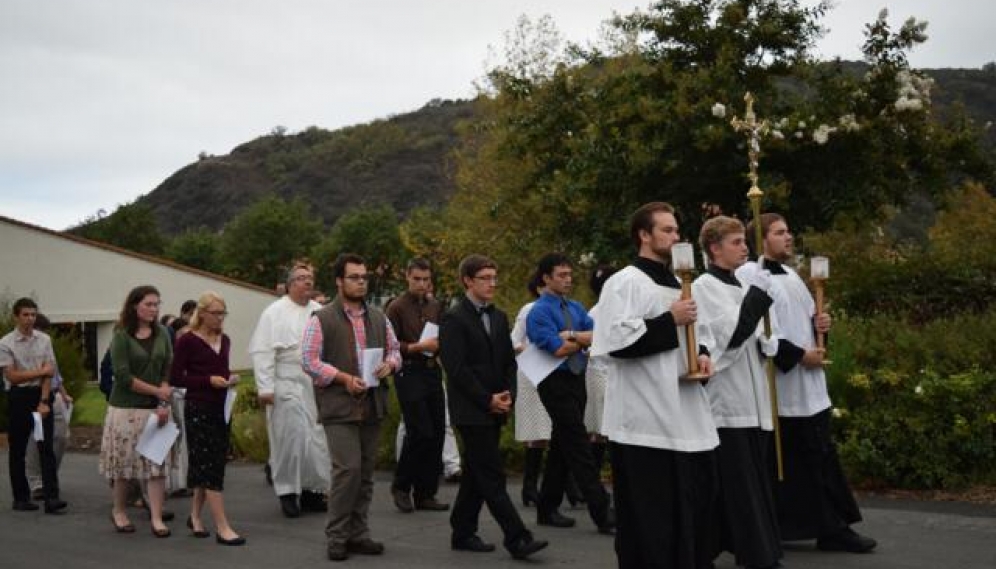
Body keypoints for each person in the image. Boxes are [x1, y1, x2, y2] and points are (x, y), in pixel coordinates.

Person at [590, 202, 719, 569]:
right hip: (643, 420)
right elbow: (617, 343)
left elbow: (701, 332)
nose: (675, 237)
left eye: (677, 231)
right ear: (644, 236)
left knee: (696, 502)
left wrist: (704, 355)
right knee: (652, 517)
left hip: (687, 412)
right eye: (666, 230)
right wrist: (669, 319)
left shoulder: (682, 284)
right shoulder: (625, 282)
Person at [741, 213, 876, 553]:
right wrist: (799, 356)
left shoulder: (791, 275)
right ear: (762, 238)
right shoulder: (749, 275)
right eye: (780, 232)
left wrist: (821, 326)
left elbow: (802, 323)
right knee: (793, 461)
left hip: (812, 387)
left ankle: (831, 525)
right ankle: (799, 527)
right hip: (783, 387)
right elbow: (756, 331)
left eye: (789, 231)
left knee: (820, 456)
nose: (789, 237)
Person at [439, 254, 548, 560]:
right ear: (468, 281)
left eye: (493, 277)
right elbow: (456, 368)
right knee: (491, 474)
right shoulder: (454, 318)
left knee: (476, 471)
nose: (492, 283)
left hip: (496, 405)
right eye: (485, 278)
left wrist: (508, 394)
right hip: (471, 410)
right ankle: (518, 538)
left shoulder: (499, 317)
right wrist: (486, 399)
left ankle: (461, 530)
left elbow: (507, 362)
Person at [693, 215, 783, 569]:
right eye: (736, 242)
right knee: (738, 484)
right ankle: (757, 555)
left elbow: (749, 338)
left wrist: (766, 343)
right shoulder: (703, 286)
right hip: (727, 404)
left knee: (749, 482)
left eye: (744, 241)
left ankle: (716, 548)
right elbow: (723, 344)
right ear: (714, 248)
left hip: (753, 398)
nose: (745, 247)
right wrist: (759, 299)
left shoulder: (738, 286)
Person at [302, 253, 401, 562]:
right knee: (348, 470)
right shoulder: (321, 318)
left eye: (364, 277)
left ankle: (359, 534)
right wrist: (342, 378)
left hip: (372, 402)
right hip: (339, 405)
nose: (361, 282)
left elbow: (395, 350)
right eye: (354, 277)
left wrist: (390, 364)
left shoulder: (377, 316)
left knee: (366, 474)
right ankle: (337, 535)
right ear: (338, 281)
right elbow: (308, 360)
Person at [526, 252, 614, 533]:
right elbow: (557, 349)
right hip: (554, 381)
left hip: (577, 378)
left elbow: (601, 337)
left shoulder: (575, 308)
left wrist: (572, 335)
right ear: (546, 278)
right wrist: (578, 339)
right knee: (577, 444)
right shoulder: (539, 311)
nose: (567, 280)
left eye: (569, 274)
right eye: (561, 275)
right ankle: (603, 512)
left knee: (563, 445)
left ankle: (547, 506)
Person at [249, 262, 332, 518]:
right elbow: (263, 351)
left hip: (314, 384)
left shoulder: (320, 312)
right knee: (291, 438)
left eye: (310, 277)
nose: (308, 281)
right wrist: (265, 387)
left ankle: (311, 491)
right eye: (301, 278)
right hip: (286, 382)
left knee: (316, 440)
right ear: (290, 284)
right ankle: (287, 491)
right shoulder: (274, 312)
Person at [171, 291, 245, 546]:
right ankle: (223, 527)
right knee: (210, 466)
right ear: (201, 314)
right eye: (215, 313)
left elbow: (221, 370)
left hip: (221, 407)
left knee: (211, 463)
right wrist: (206, 381)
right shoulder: (187, 341)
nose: (220, 318)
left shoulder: (225, 340)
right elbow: (176, 378)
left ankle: (194, 517)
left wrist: (229, 378)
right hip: (198, 408)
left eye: (223, 313)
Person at [99, 285, 174, 537]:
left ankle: (156, 517)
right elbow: (121, 376)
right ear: (134, 306)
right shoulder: (121, 335)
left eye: (157, 304)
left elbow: (167, 368)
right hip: (126, 409)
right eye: (149, 304)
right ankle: (119, 510)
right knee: (124, 466)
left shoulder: (163, 332)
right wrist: (157, 392)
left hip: (156, 409)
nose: (154, 309)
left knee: (157, 465)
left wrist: (163, 401)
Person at [387, 258, 449, 513]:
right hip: (408, 372)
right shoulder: (396, 307)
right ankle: (401, 486)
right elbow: (390, 345)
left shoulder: (436, 305)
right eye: (417, 279)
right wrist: (417, 347)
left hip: (432, 371)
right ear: (407, 277)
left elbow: (445, 335)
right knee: (420, 431)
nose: (422, 284)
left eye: (426, 279)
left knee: (437, 433)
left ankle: (426, 492)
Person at [0, 298, 67, 514]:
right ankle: (21, 497)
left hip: (40, 394)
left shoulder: (44, 340)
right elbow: (13, 376)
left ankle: (51, 497)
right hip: (19, 396)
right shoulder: (6, 344)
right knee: (18, 448)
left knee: (45, 447)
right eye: (25, 315)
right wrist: (40, 372)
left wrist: (44, 401)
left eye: (33, 315)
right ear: (17, 316)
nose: (30, 319)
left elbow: (50, 372)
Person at [510, 274, 553, 508]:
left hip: (552, 374)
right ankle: (529, 487)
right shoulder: (529, 309)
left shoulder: (560, 308)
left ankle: (555, 485)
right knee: (536, 431)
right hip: (531, 374)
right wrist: (531, 347)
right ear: (539, 288)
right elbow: (513, 341)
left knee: (551, 431)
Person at [24, 314, 73, 501]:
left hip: (55, 396)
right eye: (39, 331)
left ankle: (50, 476)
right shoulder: (24, 349)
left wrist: (64, 393)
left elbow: (56, 373)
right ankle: (37, 483)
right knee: (37, 440)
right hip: (35, 397)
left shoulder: (46, 344)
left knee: (61, 437)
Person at [582, 265, 616, 483]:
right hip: (599, 371)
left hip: (616, 372)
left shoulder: (619, 308)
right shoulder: (595, 312)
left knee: (608, 428)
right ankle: (591, 479)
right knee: (600, 428)